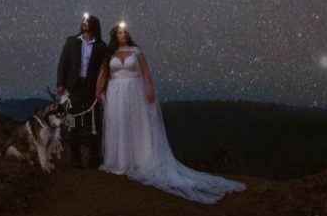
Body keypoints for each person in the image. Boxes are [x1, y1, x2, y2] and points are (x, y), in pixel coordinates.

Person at [95, 23, 245, 203]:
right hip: (116, 94)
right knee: (119, 124)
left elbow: (146, 72)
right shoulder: (109, 55)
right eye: (120, 33)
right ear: (114, 36)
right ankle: (120, 161)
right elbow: (103, 74)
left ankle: (139, 160)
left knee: (136, 124)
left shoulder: (137, 52)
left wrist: (150, 90)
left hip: (135, 92)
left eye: (125, 32)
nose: (123, 35)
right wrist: (98, 91)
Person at [57, 14, 107, 167]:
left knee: (93, 122)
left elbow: (103, 69)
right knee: (72, 121)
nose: (84, 23)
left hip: (91, 88)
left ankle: (93, 158)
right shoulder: (72, 41)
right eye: (83, 21)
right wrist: (60, 83)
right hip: (74, 86)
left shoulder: (100, 46)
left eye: (88, 21)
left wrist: (101, 89)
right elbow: (63, 63)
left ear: (94, 25)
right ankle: (75, 157)